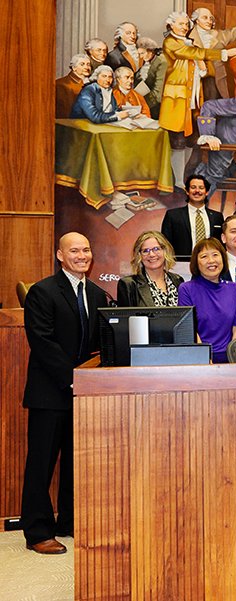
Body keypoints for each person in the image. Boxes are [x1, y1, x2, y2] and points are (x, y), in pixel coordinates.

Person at [21, 233, 108, 555]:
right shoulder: (42, 292)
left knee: (77, 462)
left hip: (84, 393)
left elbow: (102, 342)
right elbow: (42, 342)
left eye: (86, 249)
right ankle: (37, 531)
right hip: (50, 392)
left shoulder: (98, 294)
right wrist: (73, 379)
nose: (82, 255)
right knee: (41, 464)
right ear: (60, 255)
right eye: (74, 250)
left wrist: (94, 380)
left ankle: (70, 522)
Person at [159, 11, 236, 187]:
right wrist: (223, 54)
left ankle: (183, 177)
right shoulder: (171, 42)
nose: (184, 27)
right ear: (171, 25)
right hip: (177, 100)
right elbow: (194, 53)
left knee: (191, 139)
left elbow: (200, 69)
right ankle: (177, 182)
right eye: (181, 24)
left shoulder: (187, 42)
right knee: (177, 140)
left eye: (186, 24)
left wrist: (202, 67)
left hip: (193, 98)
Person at [177, 238, 236, 363]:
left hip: (230, 357)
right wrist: (204, 358)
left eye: (215, 255)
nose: (211, 261)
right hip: (198, 358)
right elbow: (189, 329)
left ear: (223, 258)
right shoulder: (186, 289)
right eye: (204, 256)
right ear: (196, 262)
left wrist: (232, 357)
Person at [160, 174, 225, 258]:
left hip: (210, 263)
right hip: (181, 264)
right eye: (193, 187)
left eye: (201, 188)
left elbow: (221, 243)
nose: (197, 191)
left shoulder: (217, 217)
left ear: (207, 192)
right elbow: (165, 242)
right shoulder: (173, 215)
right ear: (187, 191)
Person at [117, 231, 184, 307]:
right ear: (139, 255)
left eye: (156, 249)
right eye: (145, 251)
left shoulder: (178, 280)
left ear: (165, 251)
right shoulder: (129, 284)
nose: (151, 254)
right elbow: (125, 317)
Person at [134, 38, 166, 119]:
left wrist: (142, 105)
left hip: (160, 104)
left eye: (142, 53)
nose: (141, 57)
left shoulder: (162, 61)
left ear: (150, 51)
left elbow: (158, 92)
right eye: (139, 54)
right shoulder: (151, 62)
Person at [56, 53, 91, 118]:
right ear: (74, 67)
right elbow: (66, 113)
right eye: (82, 64)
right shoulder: (62, 85)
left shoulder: (91, 83)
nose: (86, 67)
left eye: (88, 64)